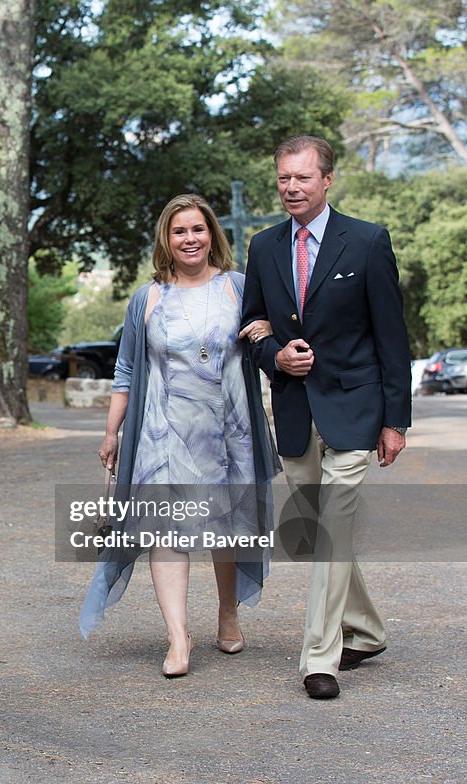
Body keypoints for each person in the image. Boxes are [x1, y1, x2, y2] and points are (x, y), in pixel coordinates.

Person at [79, 194, 280, 677]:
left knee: (226, 525)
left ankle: (227, 613)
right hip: (162, 433)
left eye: (198, 229)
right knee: (165, 531)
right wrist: (111, 432)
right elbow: (126, 368)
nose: (190, 239)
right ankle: (177, 636)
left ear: (212, 234)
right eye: (179, 231)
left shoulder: (238, 287)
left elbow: (266, 345)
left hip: (229, 432)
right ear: (166, 241)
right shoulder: (147, 299)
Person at [240, 135, 411, 699]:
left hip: (356, 408)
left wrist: (395, 421)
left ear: (327, 180)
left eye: (302, 178)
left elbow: (391, 337)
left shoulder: (366, 242)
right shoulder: (264, 247)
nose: (291, 188)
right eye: (284, 178)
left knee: (332, 526)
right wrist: (275, 356)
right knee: (319, 533)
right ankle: (365, 630)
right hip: (293, 409)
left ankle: (320, 655)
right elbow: (253, 325)